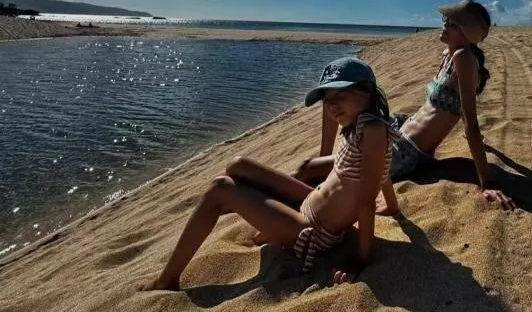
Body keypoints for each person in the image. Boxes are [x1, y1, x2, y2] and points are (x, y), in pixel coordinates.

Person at [140, 57, 398, 290]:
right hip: (310, 202)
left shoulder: (373, 130)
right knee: (237, 165)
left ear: (366, 92)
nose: (332, 106)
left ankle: (168, 279)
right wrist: (392, 204)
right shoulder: (362, 123)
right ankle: (250, 208)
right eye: (327, 99)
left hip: (314, 230)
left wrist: (361, 259)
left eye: (340, 95)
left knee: (220, 187)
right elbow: (379, 170)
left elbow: (366, 198)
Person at [297, 0, 514, 211]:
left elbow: (470, 122)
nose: (444, 25)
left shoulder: (464, 58)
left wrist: (486, 184)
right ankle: (321, 160)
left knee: (307, 168)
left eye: (453, 24)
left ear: (468, 34)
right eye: (445, 20)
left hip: (406, 152)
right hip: (400, 127)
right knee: (332, 96)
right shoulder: (450, 55)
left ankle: (290, 201)